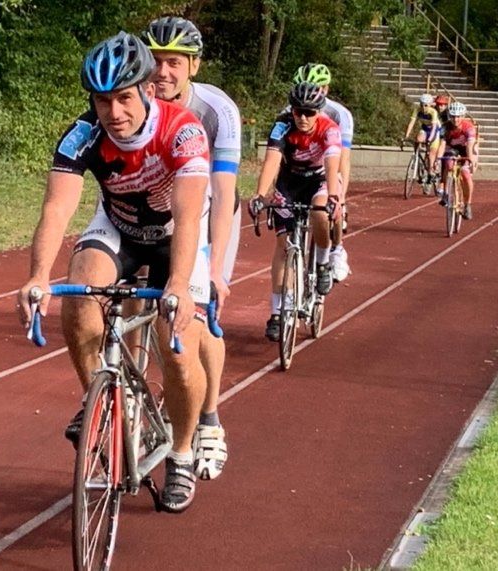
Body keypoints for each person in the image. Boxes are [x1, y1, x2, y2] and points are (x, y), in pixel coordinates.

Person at [15, 31, 211, 513]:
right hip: (118, 225)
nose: (114, 113)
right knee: (80, 292)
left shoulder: (182, 131)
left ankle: (182, 453)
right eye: (102, 101)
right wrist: (38, 276)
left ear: (147, 90)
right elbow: (57, 209)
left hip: (174, 236)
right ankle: (99, 400)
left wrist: (180, 288)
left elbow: (188, 218)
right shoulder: (82, 135)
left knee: (178, 351)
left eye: (123, 98)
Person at [142, 16, 241, 482]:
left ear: (193, 66)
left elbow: (221, 196)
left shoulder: (216, 110)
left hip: (204, 215)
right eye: (156, 60)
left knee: (196, 320)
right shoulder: (130, 100)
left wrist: (216, 267)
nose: (162, 72)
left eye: (174, 63)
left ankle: (209, 419)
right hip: (150, 214)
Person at [250, 82, 342, 342]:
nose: (303, 117)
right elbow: (272, 161)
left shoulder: (329, 130)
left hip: (319, 180)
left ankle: (323, 263)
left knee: (320, 214)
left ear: (319, 112)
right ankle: (278, 312)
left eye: (309, 113)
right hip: (289, 182)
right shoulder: (282, 126)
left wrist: (334, 197)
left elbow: (332, 164)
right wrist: (259, 195)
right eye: (298, 111)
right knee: (283, 244)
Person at [292, 63, 354, 283]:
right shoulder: (293, 111)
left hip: (327, 168)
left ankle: (337, 250)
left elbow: (342, 160)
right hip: (299, 170)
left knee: (329, 207)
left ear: (325, 89)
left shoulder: (340, 115)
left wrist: (340, 198)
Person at [440, 101, 479, 220]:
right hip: (451, 149)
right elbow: (442, 145)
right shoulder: (445, 127)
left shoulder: (469, 127)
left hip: (466, 149)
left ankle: (468, 204)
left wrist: (471, 160)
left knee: (466, 175)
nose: (455, 119)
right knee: (448, 164)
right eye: (452, 116)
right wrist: (437, 159)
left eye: (458, 116)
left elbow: (470, 146)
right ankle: (446, 193)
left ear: (463, 116)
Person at [403, 93, 441, 192]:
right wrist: (406, 136)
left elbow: (433, 129)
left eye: (426, 105)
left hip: (434, 131)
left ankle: (430, 176)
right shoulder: (417, 110)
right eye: (421, 105)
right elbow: (412, 123)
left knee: (431, 156)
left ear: (430, 105)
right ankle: (416, 155)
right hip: (424, 129)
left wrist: (430, 140)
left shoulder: (433, 112)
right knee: (418, 139)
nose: (423, 107)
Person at [433, 94, 451, 197]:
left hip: (444, 135)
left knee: (444, 158)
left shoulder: (447, 115)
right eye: (439, 105)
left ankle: (442, 183)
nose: (440, 107)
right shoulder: (433, 110)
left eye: (443, 105)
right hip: (434, 133)